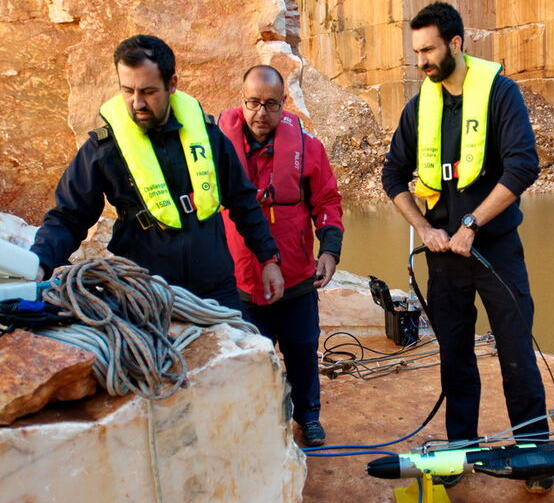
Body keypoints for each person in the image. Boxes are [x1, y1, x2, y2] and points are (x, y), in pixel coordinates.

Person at [381, 2, 552, 493]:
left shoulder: (500, 93)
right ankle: (461, 450)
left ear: (455, 44)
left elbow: (523, 167)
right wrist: (425, 229)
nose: (422, 63)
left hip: (494, 251)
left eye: (429, 50)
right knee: (455, 356)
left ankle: (534, 454)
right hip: (444, 259)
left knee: (517, 351)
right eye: (416, 53)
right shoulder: (420, 107)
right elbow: (392, 174)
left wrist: (473, 223)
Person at [31, 35, 284, 313]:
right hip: (143, 292)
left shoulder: (208, 135)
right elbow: (68, 217)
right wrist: (39, 264)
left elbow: (243, 201)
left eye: (149, 92)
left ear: (172, 84)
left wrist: (268, 259)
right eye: (128, 91)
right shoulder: (103, 148)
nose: (137, 102)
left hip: (215, 289)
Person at [218, 65, 343, 449]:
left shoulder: (308, 147)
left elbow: (327, 201)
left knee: (303, 351)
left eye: (271, 105)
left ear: (283, 104)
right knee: (249, 361)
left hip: (296, 278)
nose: (260, 113)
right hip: (241, 282)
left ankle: (309, 416)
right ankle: (258, 423)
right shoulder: (215, 146)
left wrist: (330, 249)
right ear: (242, 101)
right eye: (253, 103)